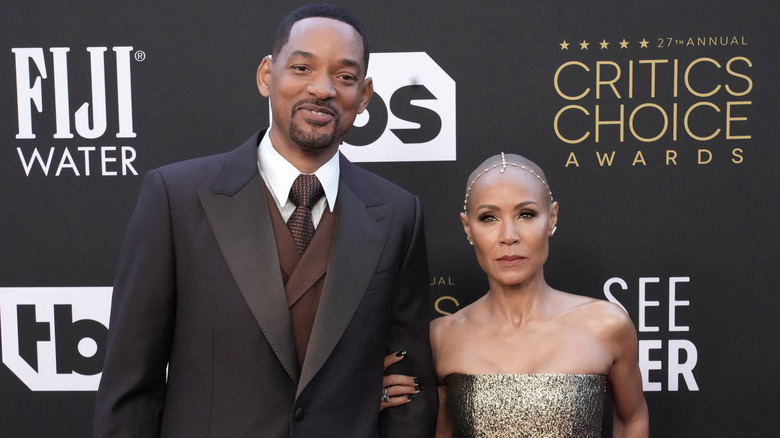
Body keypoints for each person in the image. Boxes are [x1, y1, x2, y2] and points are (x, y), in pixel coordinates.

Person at [93, 4, 437, 437]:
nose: (323, 89)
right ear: (265, 75)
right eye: (301, 67)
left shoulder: (398, 213)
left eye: (345, 77)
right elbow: (130, 390)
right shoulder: (175, 198)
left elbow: (410, 390)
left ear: (364, 96)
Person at [387, 153, 649, 437]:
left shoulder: (606, 325)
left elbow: (632, 418)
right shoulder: (441, 338)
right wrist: (364, 399)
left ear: (552, 217)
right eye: (489, 218)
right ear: (468, 227)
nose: (509, 235)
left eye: (526, 214)